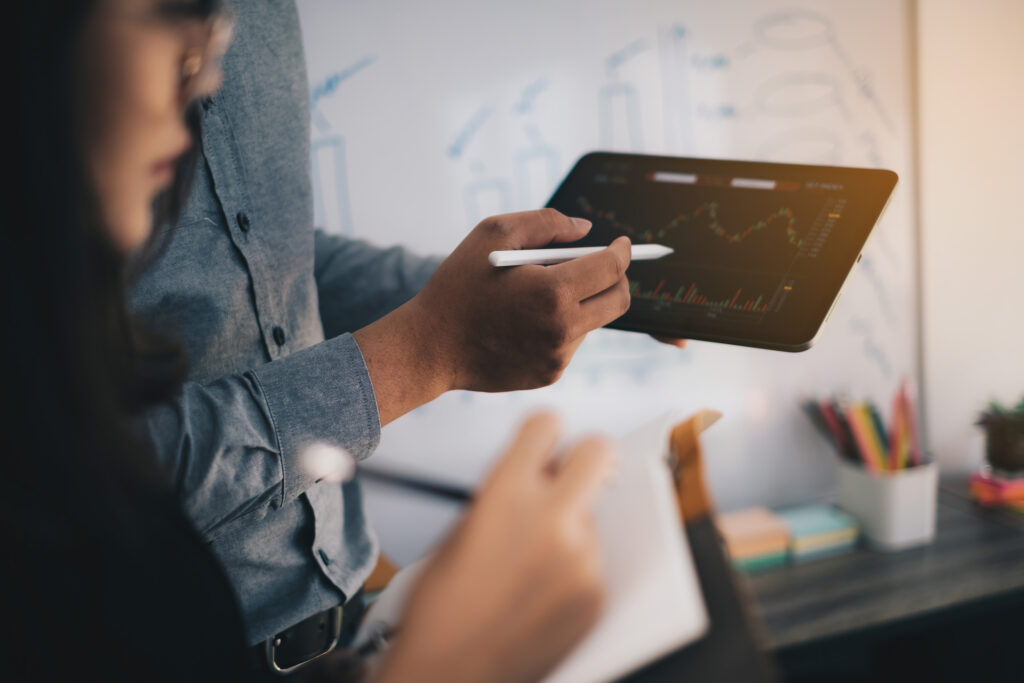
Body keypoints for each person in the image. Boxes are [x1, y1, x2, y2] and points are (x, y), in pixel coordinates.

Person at [5, 0, 619, 680]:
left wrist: (504, 296)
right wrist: (429, 349)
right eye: (174, 23)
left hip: (349, 618)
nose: (207, 77)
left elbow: (272, 259)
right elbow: (77, 468)